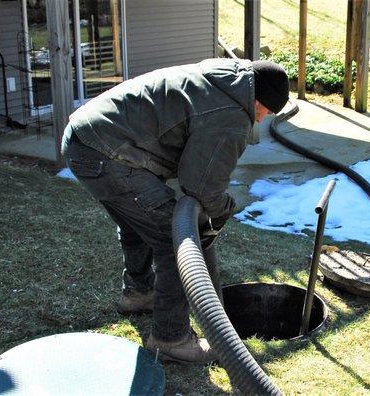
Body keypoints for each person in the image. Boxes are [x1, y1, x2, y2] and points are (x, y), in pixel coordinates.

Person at [61, 58, 289, 364]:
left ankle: (139, 294)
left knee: (138, 222)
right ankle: (170, 338)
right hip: (107, 151)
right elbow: (202, 186)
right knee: (175, 241)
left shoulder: (223, 78)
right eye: (267, 112)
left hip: (85, 134)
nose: (262, 120)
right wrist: (224, 209)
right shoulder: (233, 114)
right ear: (259, 101)